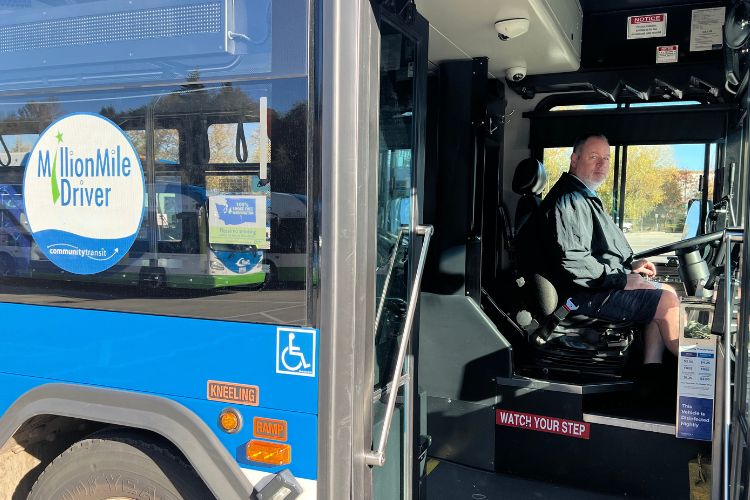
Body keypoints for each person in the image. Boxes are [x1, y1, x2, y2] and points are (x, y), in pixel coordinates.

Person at [531, 134, 681, 376]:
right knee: (667, 303)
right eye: (593, 157)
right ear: (574, 159)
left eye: (606, 158)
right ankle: (701, 372)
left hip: (595, 284)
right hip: (580, 295)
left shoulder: (582, 195)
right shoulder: (568, 200)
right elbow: (574, 261)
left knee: (667, 292)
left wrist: (629, 266)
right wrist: (622, 279)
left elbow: (597, 251)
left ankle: (652, 374)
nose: (602, 164)